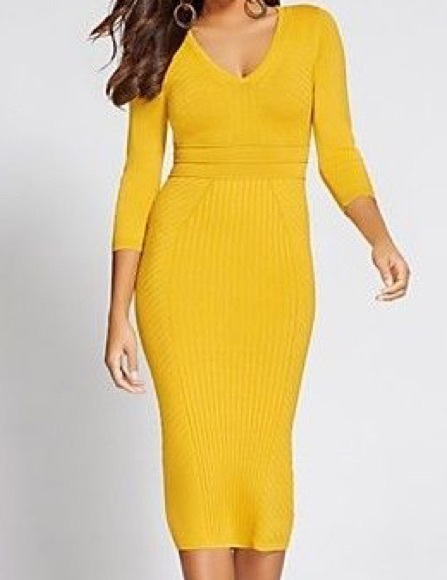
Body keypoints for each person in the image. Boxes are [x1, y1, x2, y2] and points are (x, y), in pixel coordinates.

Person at [93, 0, 410, 578]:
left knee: (265, 457)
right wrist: (118, 313)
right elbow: (139, 177)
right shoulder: (166, 41)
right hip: (180, 279)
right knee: (195, 458)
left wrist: (379, 237)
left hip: (276, 278)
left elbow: (338, 151)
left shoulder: (312, 30)